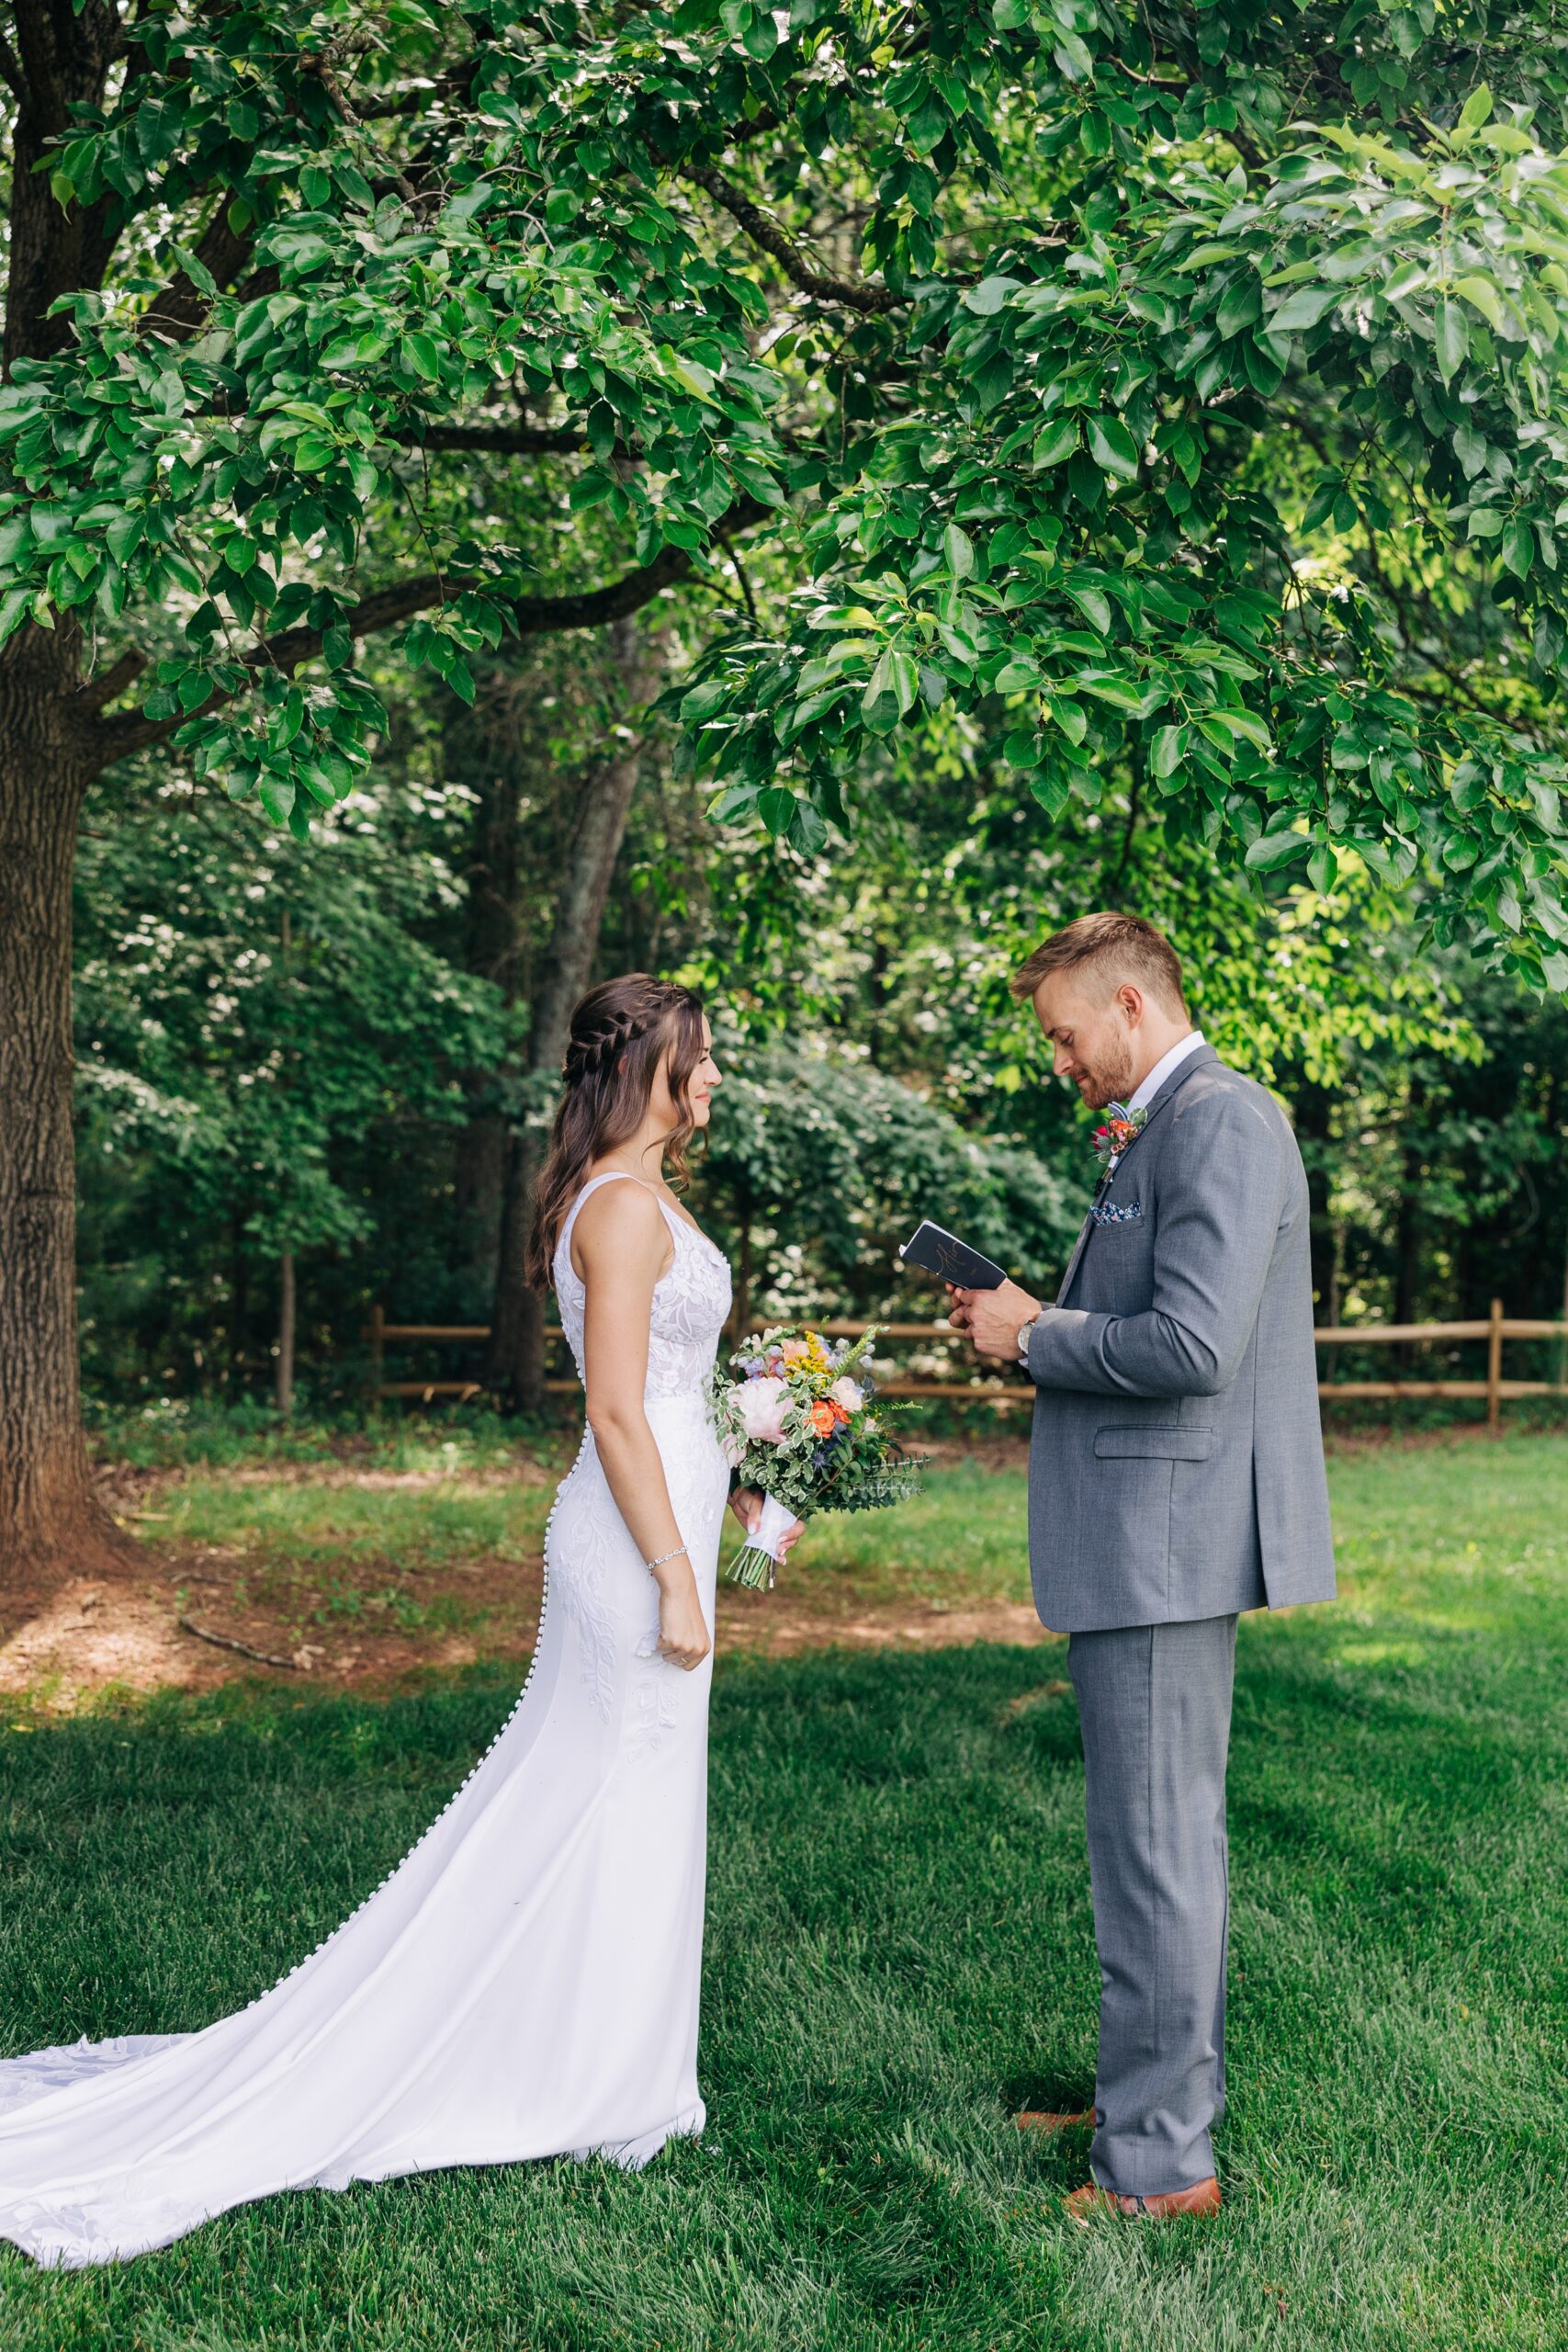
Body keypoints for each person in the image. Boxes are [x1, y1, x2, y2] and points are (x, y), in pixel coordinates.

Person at [0, 973, 796, 2268]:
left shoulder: (638, 1198)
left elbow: (672, 1388)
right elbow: (610, 1412)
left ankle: (605, 2062)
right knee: (603, 1793)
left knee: (622, 1800)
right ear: (647, 1066)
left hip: (667, 1527)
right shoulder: (625, 1212)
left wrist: (765, 1449)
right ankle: (581, 2076)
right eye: (698, 1060)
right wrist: (673, 1573)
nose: (712, 1080)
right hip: (632, 1549)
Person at [948, 912, 1335, 2223]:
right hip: (1145, 1541)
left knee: (1162, 1854)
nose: (1061, 1061)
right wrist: (1030, 1327)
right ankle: (1140, 2097)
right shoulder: (1171, 1122)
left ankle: (1161, 2168)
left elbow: (1192, 1346)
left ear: (1128, 1003)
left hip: (1166, 1549)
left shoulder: (1219, 1120)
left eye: (1065, 1035)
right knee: (1144, 1851)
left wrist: (1033, 1331)